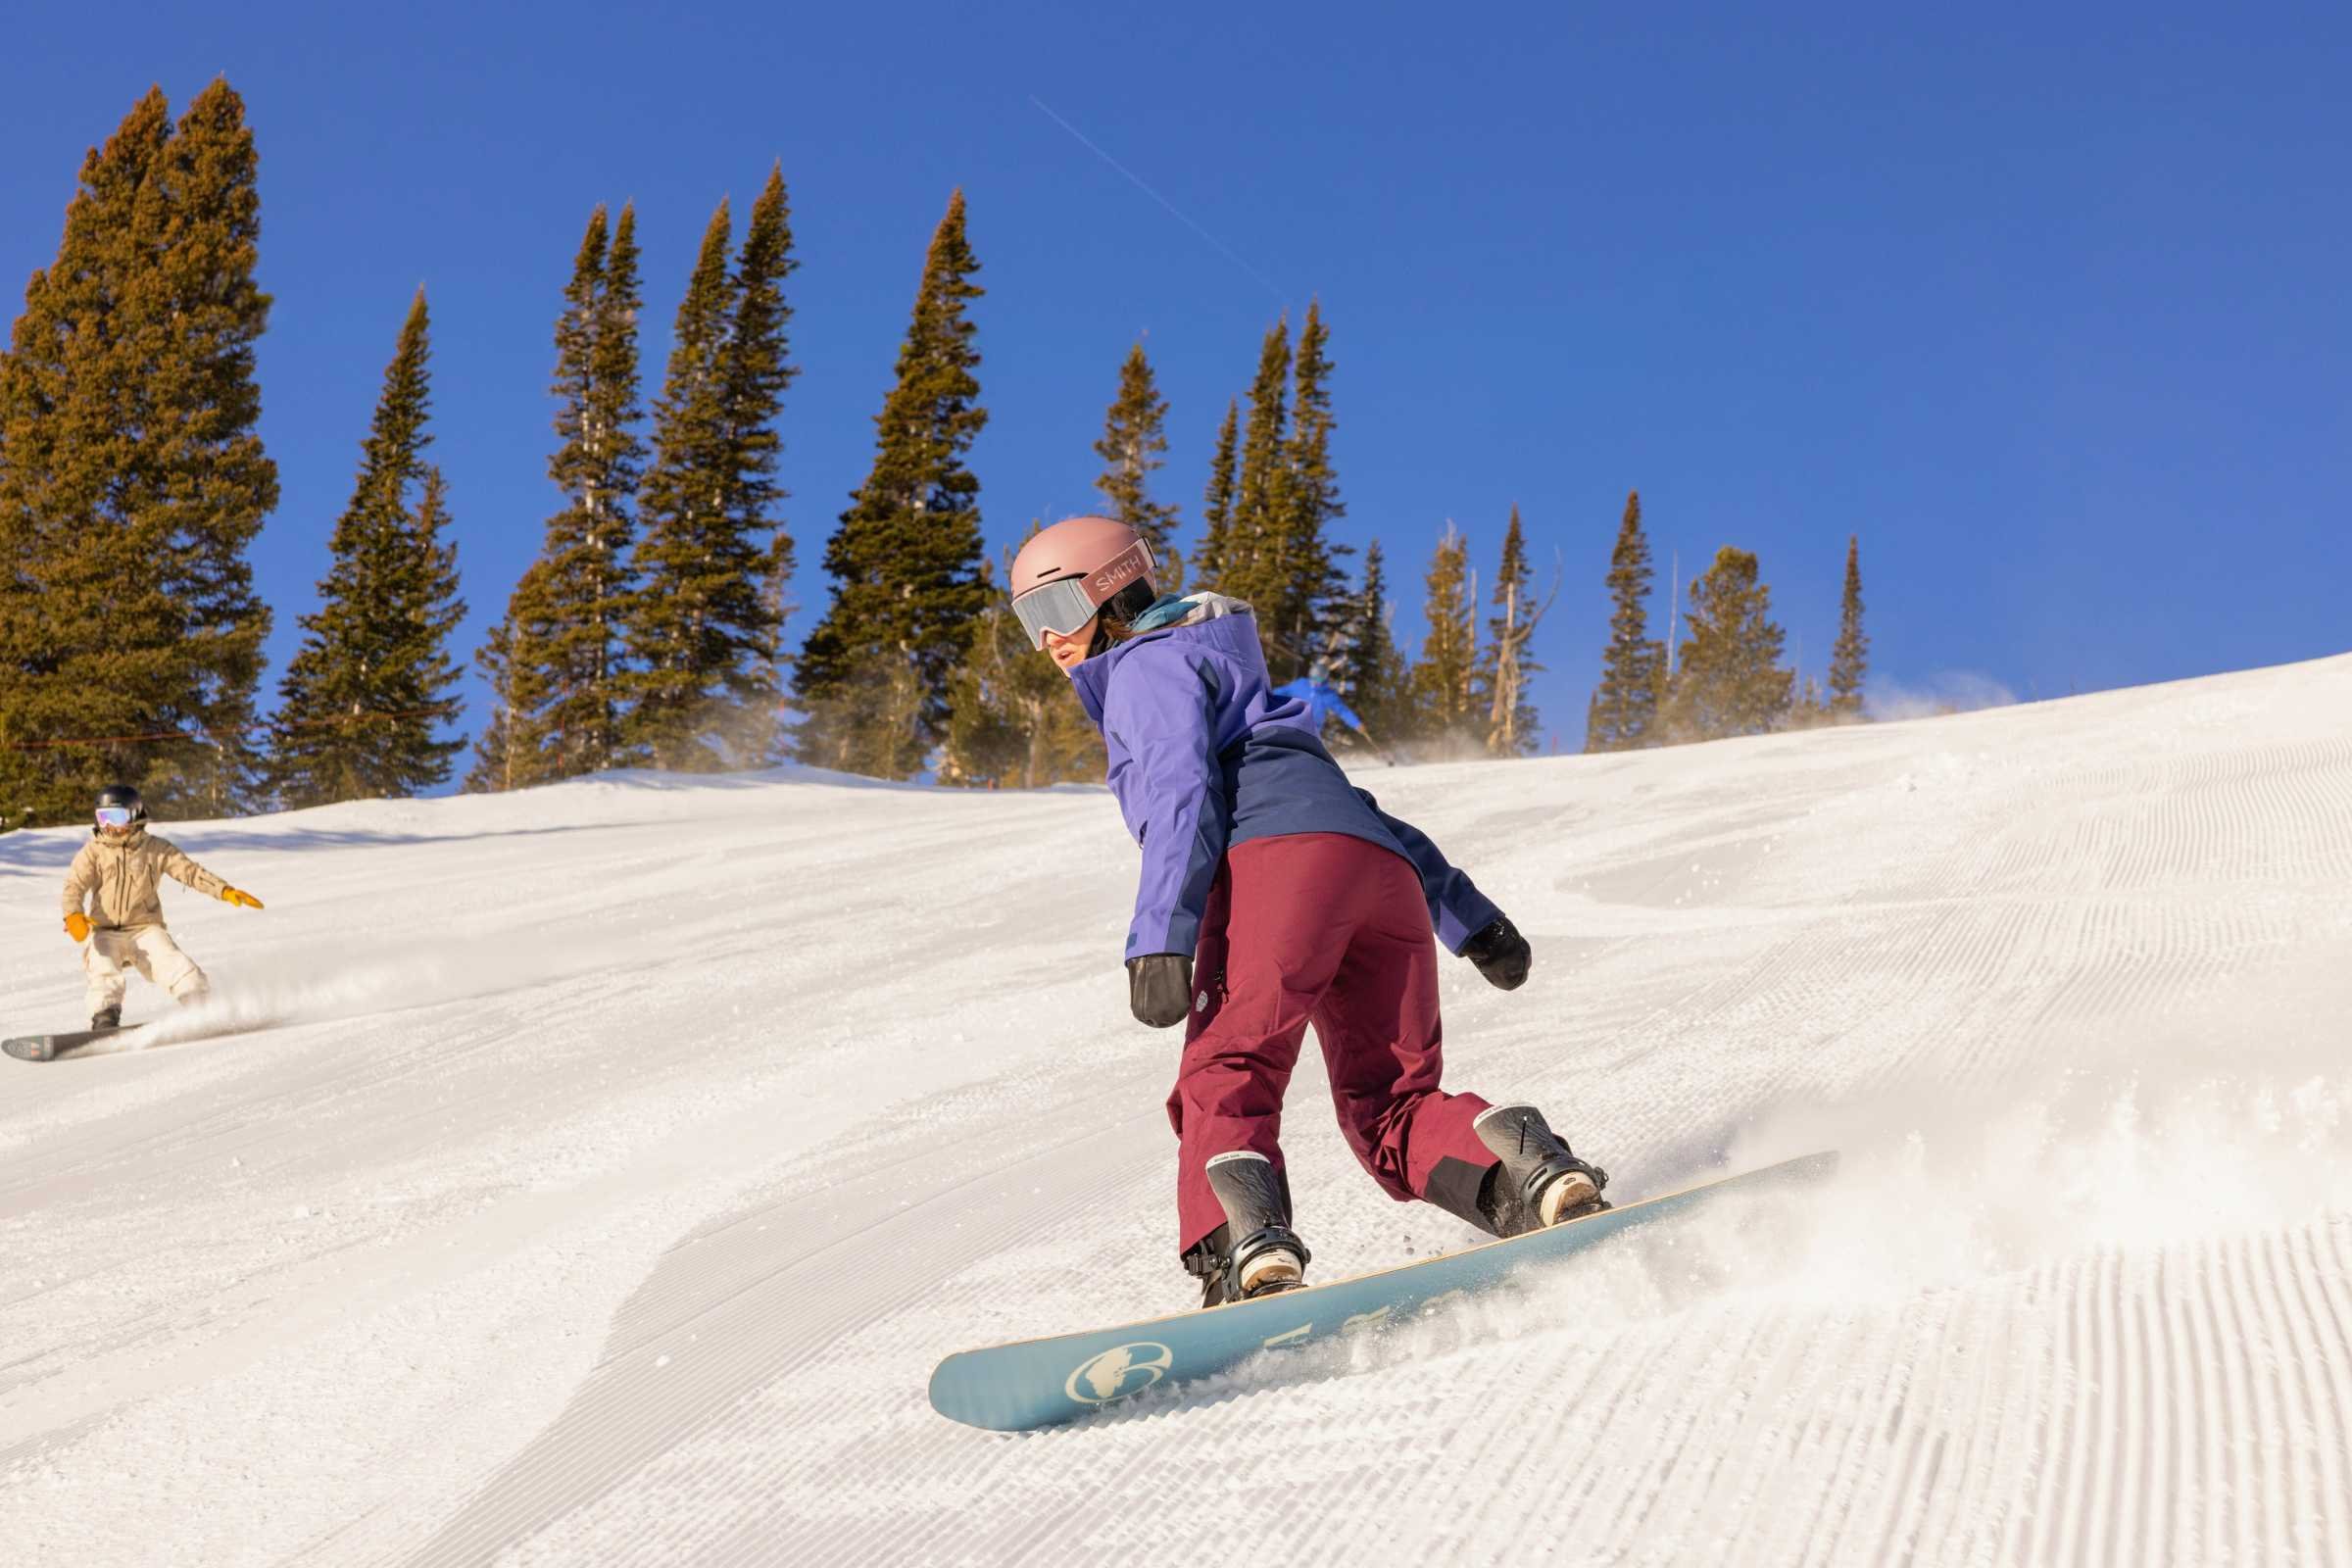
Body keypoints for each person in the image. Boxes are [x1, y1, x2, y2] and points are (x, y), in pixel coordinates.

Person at [1009, 515, 1607, 1306]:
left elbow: (1182, 797)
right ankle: (1527, 1168)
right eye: (1028, 623)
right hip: (1375, 876)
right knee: (1392, 1104)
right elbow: (1362, 817)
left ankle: (1245, 1253)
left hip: (1273, 873)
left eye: (1052, 612)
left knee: (1227, 1073)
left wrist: (1161, 937)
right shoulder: (1242, 683)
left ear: (1109, 588)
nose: (1045, 641)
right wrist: (1471, 920)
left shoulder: (1145, 672)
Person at [59, 784, 265, 1030]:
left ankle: (202, 1005)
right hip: (103, 930)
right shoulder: (93, 852)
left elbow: (190, 872)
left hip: (144, 928)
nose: (109, 826)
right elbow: (74, 885)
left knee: (174, 963)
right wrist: (73, 914)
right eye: (103, 818)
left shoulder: (155, 849)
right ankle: (105, 1016)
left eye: (116, 817)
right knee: (102, 969)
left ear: (134, 815)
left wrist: (223, 890)